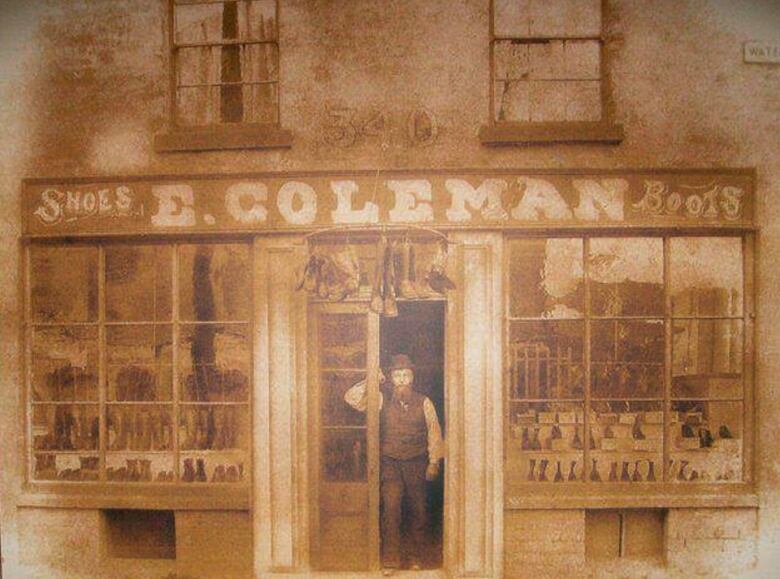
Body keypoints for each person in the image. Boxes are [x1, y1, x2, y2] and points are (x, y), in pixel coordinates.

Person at [344, 353, 444, 576]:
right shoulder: (379, 399)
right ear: (390, 378)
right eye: (397, 375)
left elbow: (434, 433)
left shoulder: (424, 402)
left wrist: (433, 462)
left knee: (417, 510)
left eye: (405, 375)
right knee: (391, 509)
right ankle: (391, 559)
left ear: (412, 378)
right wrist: (372, 380)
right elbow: (350, 398)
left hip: (417, 463)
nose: (401, 380)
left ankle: (416, 557)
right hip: (390, 464)